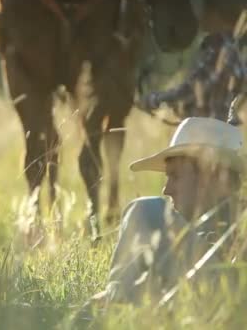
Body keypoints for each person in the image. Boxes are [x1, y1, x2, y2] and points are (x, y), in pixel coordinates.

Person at [77, 117, 245, 320]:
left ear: (212, 175)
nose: (167, 189)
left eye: (175, 176)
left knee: (146, 210)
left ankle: (110, 315)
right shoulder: (193, 240)